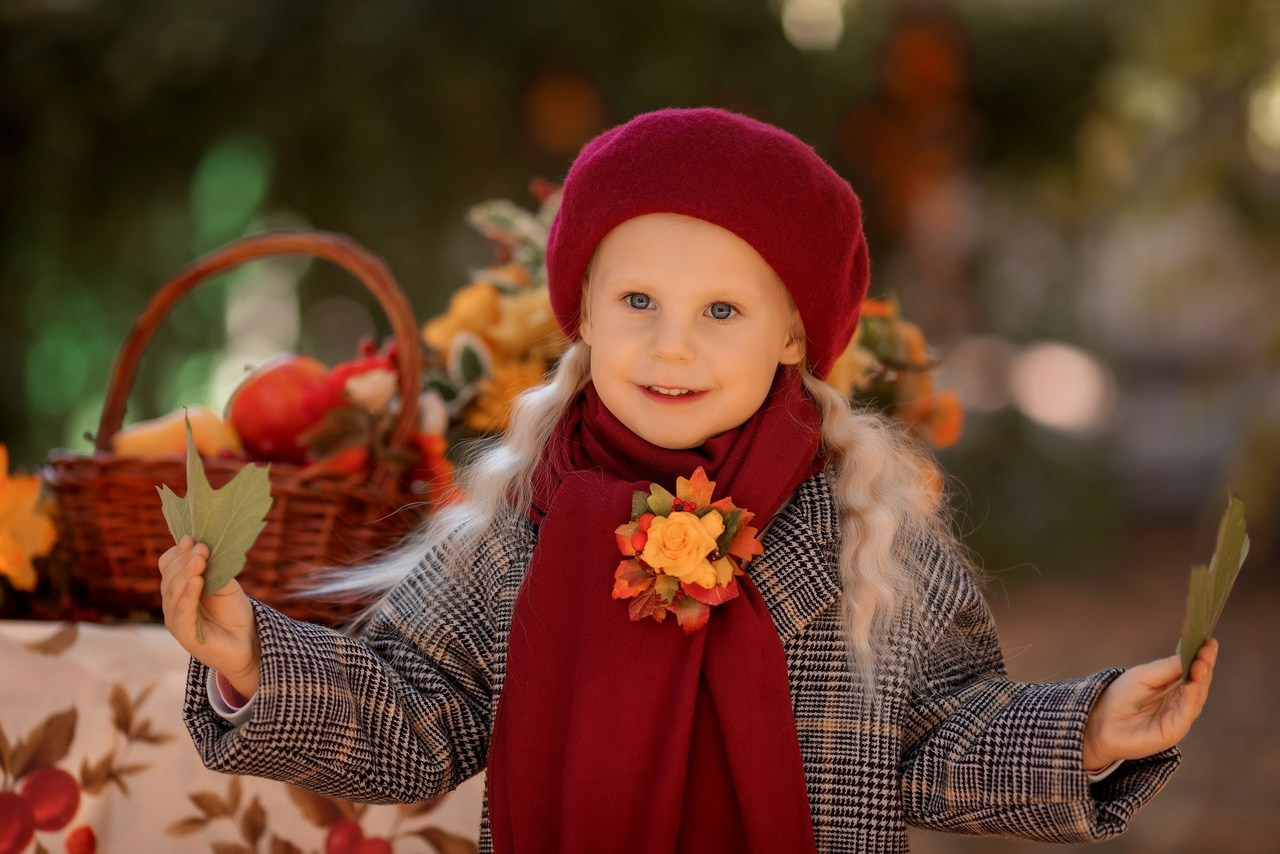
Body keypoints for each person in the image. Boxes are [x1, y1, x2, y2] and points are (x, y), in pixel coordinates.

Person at [159, 107, 1218, 853]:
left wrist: (1086, 729)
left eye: (721, 310)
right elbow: (413, 716)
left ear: (794, 331)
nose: (671, 347)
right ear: (579, 310)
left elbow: (939, 737)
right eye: (636, 302)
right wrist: (255, 656)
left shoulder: (858, 528)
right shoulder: (513, 527)